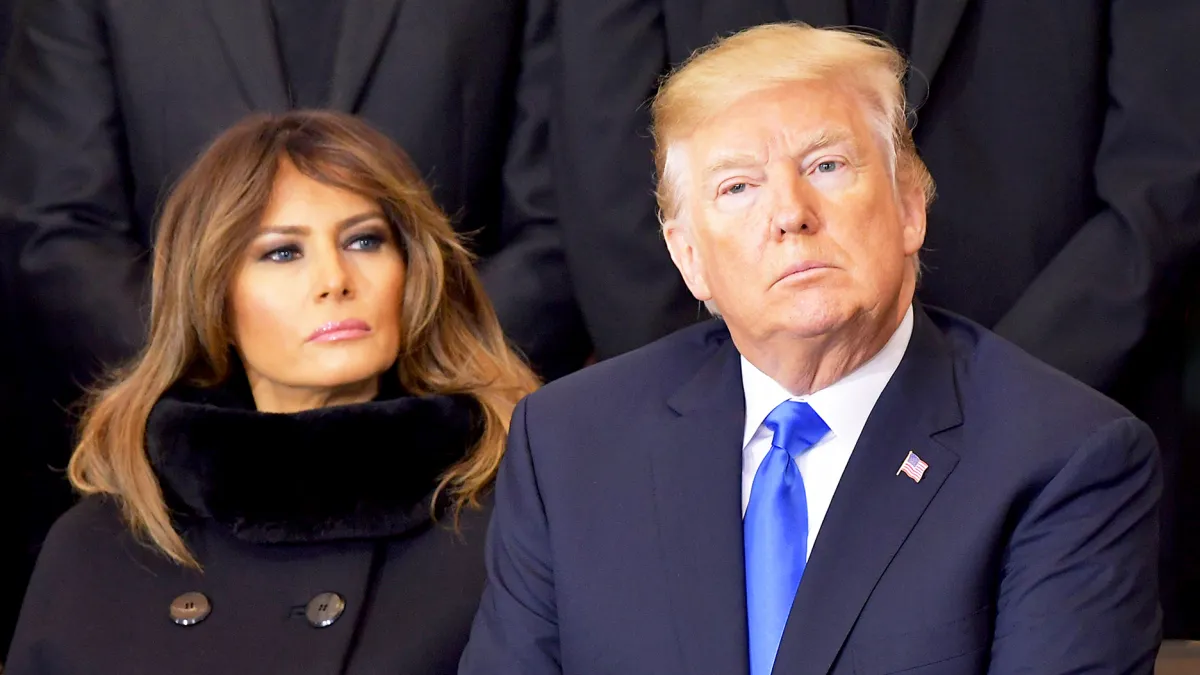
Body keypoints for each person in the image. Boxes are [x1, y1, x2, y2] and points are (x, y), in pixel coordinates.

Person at [459, 24, 1162, 675]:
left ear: (910, 206)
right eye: (738, 186)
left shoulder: (1065, 457)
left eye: (826, 164)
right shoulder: (570, 442)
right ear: (688, 257)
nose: (791, 212)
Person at [4, 111, 538, 674]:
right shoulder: (102, 546)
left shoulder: (514, 519)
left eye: (364, 240)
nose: (335, 279)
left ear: (413, 270)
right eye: (282, 252)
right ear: (213, 294)